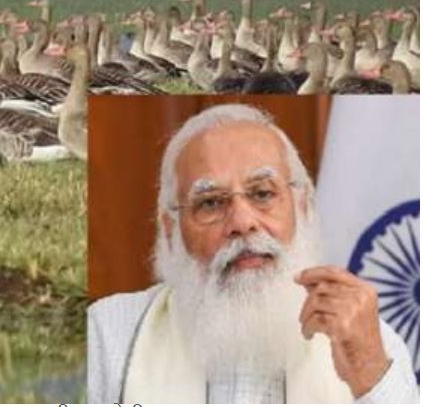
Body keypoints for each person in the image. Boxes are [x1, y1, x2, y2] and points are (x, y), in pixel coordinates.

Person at [87, 104, 417, 403]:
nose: (243, 223)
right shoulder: (110, 334)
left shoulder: (369, 340)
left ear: (302, 207)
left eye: (262, 194)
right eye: (211, 202)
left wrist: (369, 372)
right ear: (172, 229)